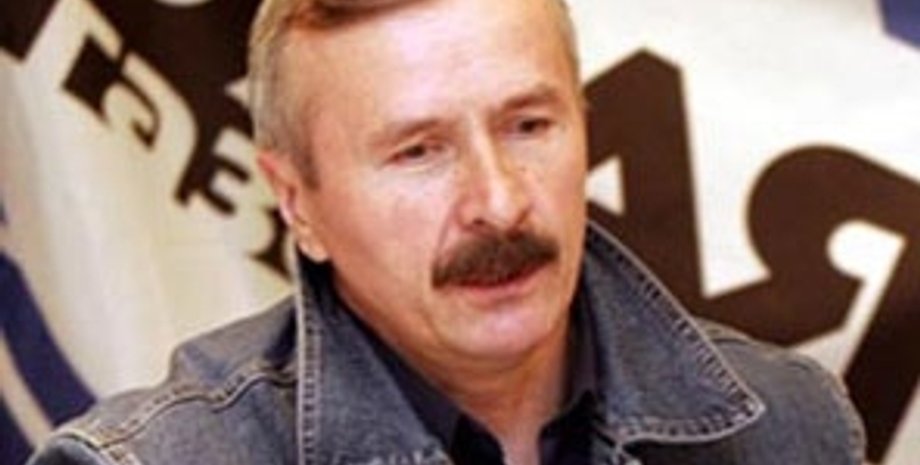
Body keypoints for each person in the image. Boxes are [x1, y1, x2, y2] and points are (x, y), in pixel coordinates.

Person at [29, 0, 866, 464]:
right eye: (418, 151)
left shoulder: (790, 427)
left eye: (529, 125)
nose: (498, 203)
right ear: (297, 203)